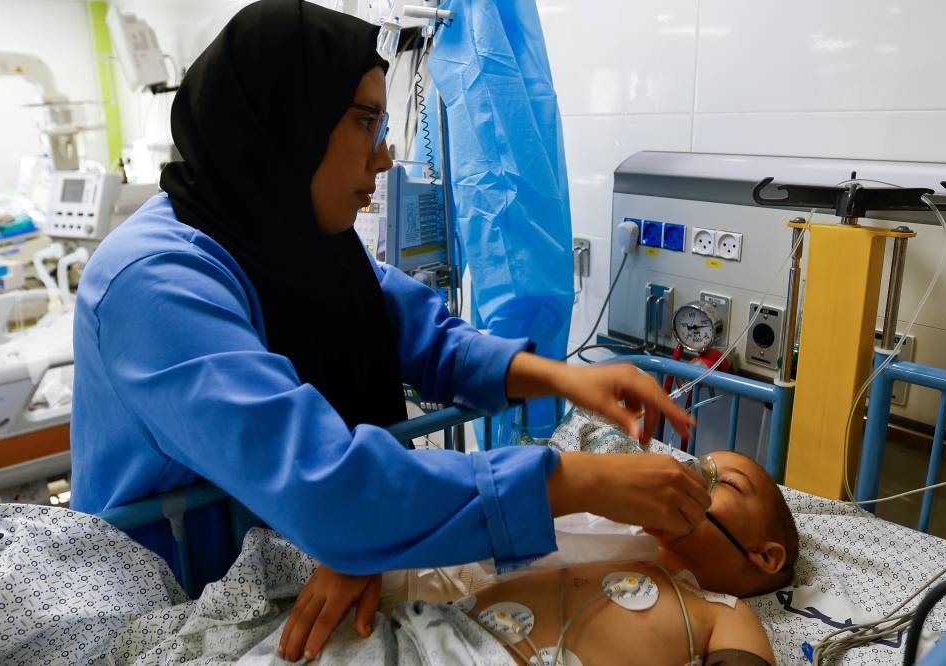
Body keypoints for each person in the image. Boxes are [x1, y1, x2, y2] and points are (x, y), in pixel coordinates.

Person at [69, 0, 707, 660]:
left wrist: (564, 378)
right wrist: (583, 483)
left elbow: (428, 338)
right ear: (289, 121)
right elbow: (325, 485)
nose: (384, 157)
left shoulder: (306, 240)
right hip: (173, 606)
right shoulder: (154, 282)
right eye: (365, 123)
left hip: (298, 565)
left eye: (384, 125)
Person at [277, 451, 799, 664]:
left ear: (765, 556)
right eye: (694, 464)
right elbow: (473, 514)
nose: (691, 476)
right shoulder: (608, 532)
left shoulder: (720, 612)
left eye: (726, 483)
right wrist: (369, 548)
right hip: (426, 636)